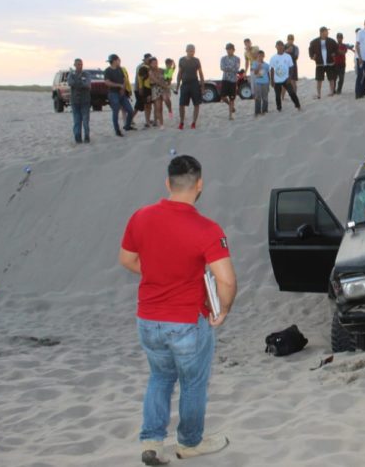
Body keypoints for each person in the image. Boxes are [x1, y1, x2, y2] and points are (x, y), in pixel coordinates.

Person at [119, 155, 237, 465]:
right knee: (193, 383)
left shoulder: (140, 217)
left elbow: (127, 259)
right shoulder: (206, 228)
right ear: (199, 185)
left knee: (159, 377)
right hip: (185, 320)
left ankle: (152, 442)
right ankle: (189, 442)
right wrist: (223, 308)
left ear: (167, 183)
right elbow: (226, 279)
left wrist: (159, 272)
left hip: (148, 318)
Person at [103, 54, 135, 137]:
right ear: (114, 61)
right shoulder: (108, 71)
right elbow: (107, 82)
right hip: (113, 94)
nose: (119, 62)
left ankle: (127, 126)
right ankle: (117, 130)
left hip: (122, 93)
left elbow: (124, 79)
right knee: (116, 112)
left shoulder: (120, 69)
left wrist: (123, 88)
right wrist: (119, 86)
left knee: (130, 110)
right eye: (118, 60)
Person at [175, 44, 204, 130]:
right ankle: (181, 122)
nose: (192, 52)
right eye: (190, 50)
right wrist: (177, 86)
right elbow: (179, 73)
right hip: (185, 84)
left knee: (196, 104)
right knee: (181, 104)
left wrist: (202, 87)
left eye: (193, 50)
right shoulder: (181, 60)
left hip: (194, 83)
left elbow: (201, 73)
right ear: (186, 51)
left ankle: (194, 122)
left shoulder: (196, 60)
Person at [270, 40, 301, 112]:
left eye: (281, 45)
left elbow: (291, 67)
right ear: (276, 47)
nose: (280, 47)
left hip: (286, 79)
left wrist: (289, 78)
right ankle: (279, 108)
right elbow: (271, 69)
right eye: (278, 45)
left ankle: (298, 105)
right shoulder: (273, 58)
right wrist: (272, 80)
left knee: (292, 93)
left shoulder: (288, 57)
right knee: (277, 96)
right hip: (277, 80)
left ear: (283, 46)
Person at [308, 26, 338, 99]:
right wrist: (312, 57)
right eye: (326, 32)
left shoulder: (331, 41)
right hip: (319, 64)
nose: (327, 33)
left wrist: (334, 53)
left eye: (327, 32)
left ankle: (331, 92)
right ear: (321, 32)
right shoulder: (314, 42)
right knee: (319, 80)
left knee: (331, 78)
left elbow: (336, 49)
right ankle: (319, 94)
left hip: (330, 63)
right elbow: (310, 50)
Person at [68, 58, 91, 144]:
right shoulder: (71, 74)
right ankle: (77, 138)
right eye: (78, 64)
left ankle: (87, 137)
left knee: (85, 120)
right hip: (75, 101)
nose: (79, 66)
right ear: (74, 65)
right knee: (77, 120)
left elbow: (88, 85)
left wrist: (78, 82)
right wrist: (81, 82)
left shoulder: (87, 74)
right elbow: (70, 83)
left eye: (81, 64)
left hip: (85, 101)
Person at [148, 57, 170, 130]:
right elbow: (156, 81)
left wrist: (170, 69)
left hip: (163, 88)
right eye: (153, 63)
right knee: (158, 107)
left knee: (166, 99)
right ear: (150, 64)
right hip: (155, 89)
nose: (155, 64)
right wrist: (164, 85)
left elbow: (168, 77)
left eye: (156, 62)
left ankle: (170, 110)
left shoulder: (162, 70)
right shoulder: (150, 72)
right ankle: (161, 124)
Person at [220, 43, 240, 120]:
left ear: (233, 50)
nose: (228, 51)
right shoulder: (223, 58)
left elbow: (236, 69)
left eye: (230, 49)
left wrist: (228, 68)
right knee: (223, 97)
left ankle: (230, 116)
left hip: (233, 80)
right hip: (225, 79)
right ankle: (230, 106)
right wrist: (231, 68)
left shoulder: (237, 58)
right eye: (227, 49)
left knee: (232, 98)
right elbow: (222, 68)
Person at [134, 53, 153, 129]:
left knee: (148, 105)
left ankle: (147, 120)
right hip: (140, 89)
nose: (149, 60)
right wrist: (139, 89)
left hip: (148, 89)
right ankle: (130, 119)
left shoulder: (150, 66)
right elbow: (139, 79)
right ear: (145, 59)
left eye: (150, 59)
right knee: (139, 106)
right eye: (148, 59)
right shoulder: (141, 67)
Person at [251, 50, 270, 116]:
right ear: (257, 56)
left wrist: (269, 83)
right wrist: (258, 67)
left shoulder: (267, 65)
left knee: (265, 97)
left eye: (262, 56)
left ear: (264, 56)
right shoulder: (254, 63)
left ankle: (265, 111)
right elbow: (255, 73)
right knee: (258, 97)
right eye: (259, 56)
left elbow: (268, 74)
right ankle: (257, 112)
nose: (260, 57)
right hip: (257, 82)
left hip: (265, 82)